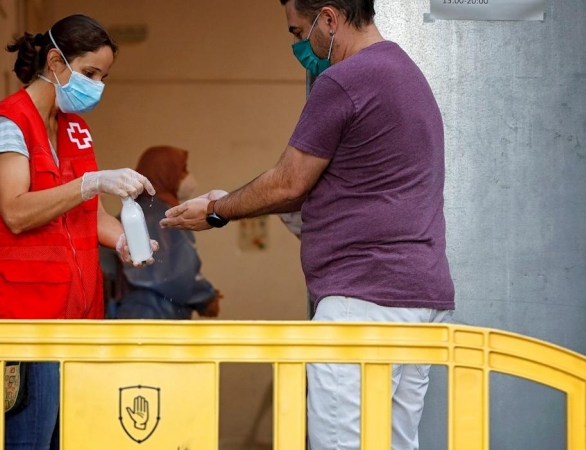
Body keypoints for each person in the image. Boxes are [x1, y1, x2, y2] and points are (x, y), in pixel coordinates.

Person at [160, 1, 455, 449]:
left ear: (330, 19)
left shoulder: (344, 79)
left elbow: (288, 182)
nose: (299, 45)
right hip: (418, 297)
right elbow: (360, 190)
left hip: (363, 302)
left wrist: (219, 210)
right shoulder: (407, 74)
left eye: (299, 31)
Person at [0, 14, 157, 450]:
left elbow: (89, 216)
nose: (97, 86)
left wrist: (121, 238)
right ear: (55, 61)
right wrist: (89, 183)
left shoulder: (74, 129)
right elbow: (15, 212)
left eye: (103, 77)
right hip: (21, 325)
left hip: (74, 322)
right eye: (89, 73)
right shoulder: (8, 125)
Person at [109, 146, 222, 320]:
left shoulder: (130, 213)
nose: (187, 177)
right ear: (165, 172)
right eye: (183, 170)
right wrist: (206, 297)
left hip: (126, 312)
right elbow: (181, 272)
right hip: (160, 316)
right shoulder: (166, 216)